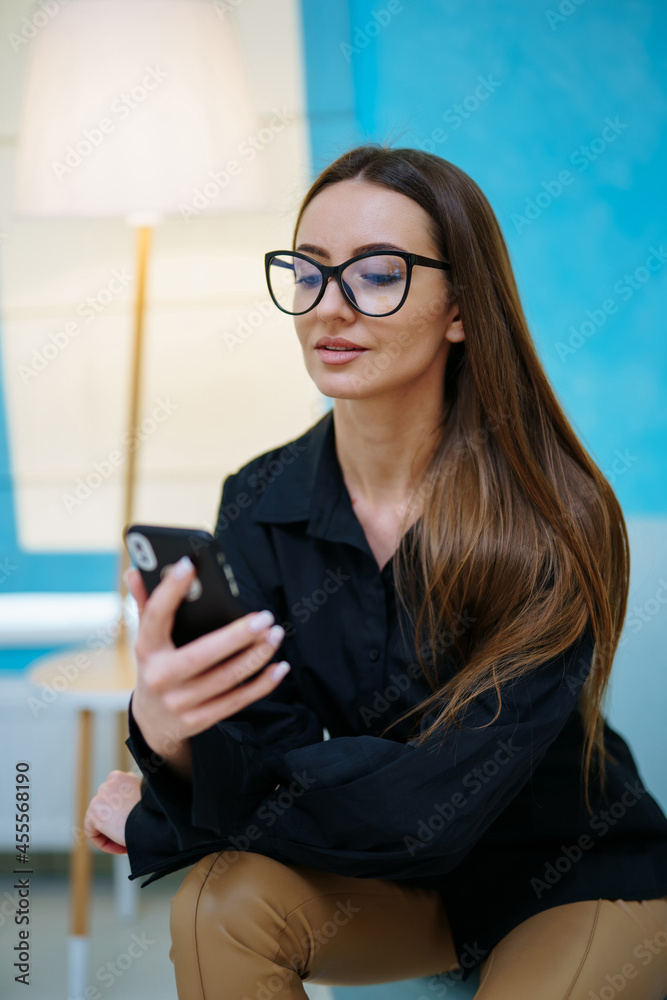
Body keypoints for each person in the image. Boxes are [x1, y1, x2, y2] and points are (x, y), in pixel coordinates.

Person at [85, 145, 667, 999]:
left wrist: (170, 812)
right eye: (309, 272)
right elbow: (267, 740)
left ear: (459, 309)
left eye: (377, 274)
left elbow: (427, 810)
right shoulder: (258, 498)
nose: (331, 308)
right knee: (214, 906)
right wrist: (171, 734)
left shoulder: (557, 515)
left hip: (570, 875)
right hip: (394, 889)